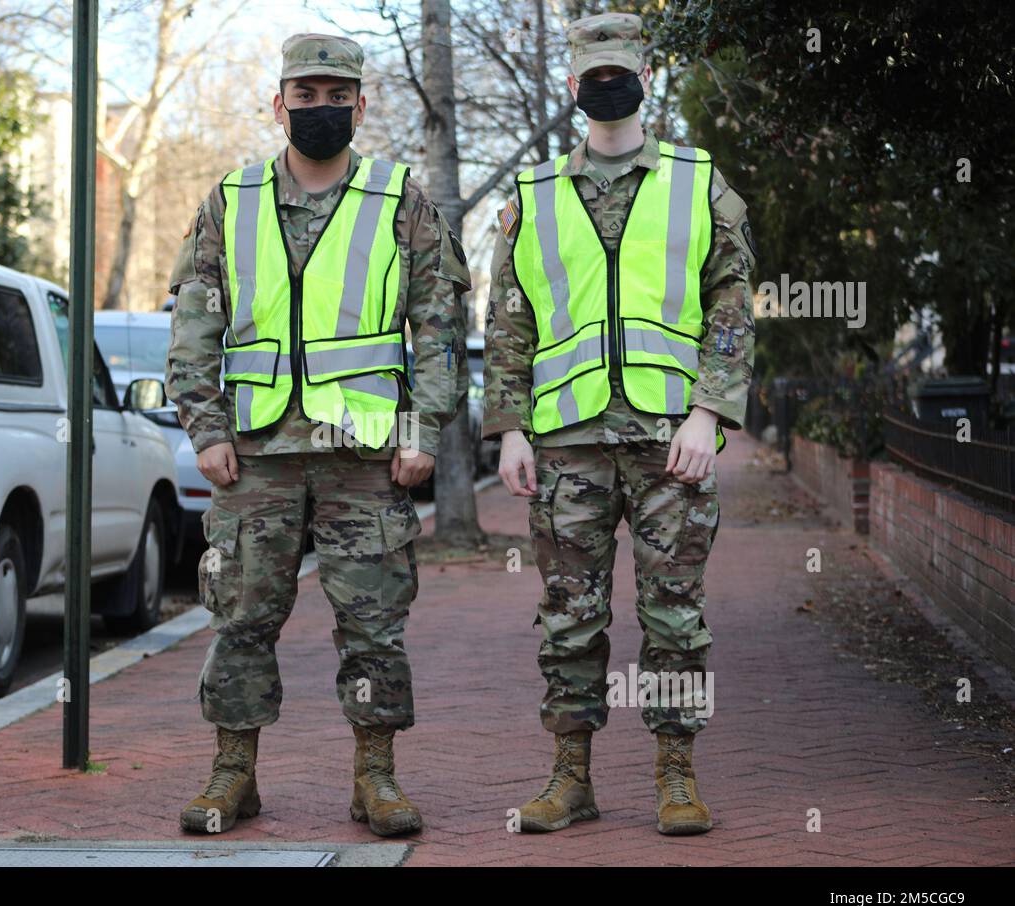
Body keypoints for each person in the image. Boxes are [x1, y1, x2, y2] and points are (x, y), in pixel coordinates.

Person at [166, 33, 471, 837]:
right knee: (239, 617)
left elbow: (437, 325)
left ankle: (376, 779)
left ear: (361, 105)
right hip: (255, 454)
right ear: (279, 103)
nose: (321, 109)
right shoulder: (231, 200)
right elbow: (195, 323)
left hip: (365, 457)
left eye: (337, 95)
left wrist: (422, 430)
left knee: (373, 624)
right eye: (305, 95)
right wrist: (205, 427)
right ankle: (233, 774)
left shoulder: (399, 199)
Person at [483, 12, 757, 835]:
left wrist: (710, 410)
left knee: (675, 613)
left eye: (620, 71)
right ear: (573, 86)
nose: (607, 85)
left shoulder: (696, 180)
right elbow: (508, 320)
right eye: (593, 74)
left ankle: (676, 776)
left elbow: (734, 305)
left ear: (645, 78)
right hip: (566, 443)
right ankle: (572, 778)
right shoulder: (531, 197)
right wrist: (508, 428)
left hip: (671, 434)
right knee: (570, 616)